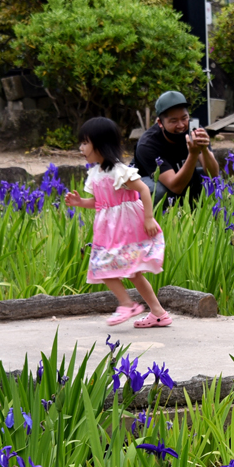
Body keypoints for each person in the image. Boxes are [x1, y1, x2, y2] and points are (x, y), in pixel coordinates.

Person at [65, 117, 172, 328]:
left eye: (85, 143)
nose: (81, 148)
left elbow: (143, 189)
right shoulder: (94, 174)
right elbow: (98, 203)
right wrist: (80, 202)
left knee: (102, 265)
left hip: (126, 226)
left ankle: (126, 303)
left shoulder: (118, 170)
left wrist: (149, 218)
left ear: (101, 144)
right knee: (132, 272)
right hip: (108, 228)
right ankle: (158, 313)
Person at [133, 90, 219, 207]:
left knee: (214, 182)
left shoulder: (194, 131)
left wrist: (204, 149)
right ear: (160, 123)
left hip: (179, 176)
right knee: (159, 191)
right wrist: (193, 154)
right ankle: (157, 221)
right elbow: (175, 187)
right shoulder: (148, 145)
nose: (181, 125)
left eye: (184, 118)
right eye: (173, 121)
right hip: (148, 183)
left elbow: (213, 174)